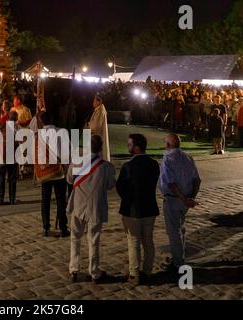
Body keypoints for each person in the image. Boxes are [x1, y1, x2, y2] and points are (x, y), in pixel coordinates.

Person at [68, 135, 116, 284]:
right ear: (101, 148)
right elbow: (110, 185)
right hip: (96, 206)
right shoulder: (106, 166)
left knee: (75, 237)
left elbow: (70, 180)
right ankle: (94, 271)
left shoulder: (76, 162)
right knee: (93, 240)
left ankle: (74, 269)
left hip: (78, 205)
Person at [116, 134, 160, 285]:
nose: (127, 146)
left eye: (129, 144)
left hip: (132, 210)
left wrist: (128, 198)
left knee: (133, 241)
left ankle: (134, 274)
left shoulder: (128, 166)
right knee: (148, 240)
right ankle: (148, 270)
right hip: (150, 208)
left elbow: (120, 188)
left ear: (136, 147)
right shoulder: (154, 164)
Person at [160, 134, 201, 272]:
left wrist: (184, 199)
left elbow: (171, 184)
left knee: (174, 231)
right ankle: (179, 257)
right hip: (186, 199)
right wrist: (190, 199)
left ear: (169, 145)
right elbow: (197, 180)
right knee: (181, 228)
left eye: (165, 143)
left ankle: (178, 262)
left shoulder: (168, 159)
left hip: (174, 198)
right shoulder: (187, 157)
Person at [35, 112, 70, 238]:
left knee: (45, 199)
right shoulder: (61, 132)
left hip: (45, 171)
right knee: (61, 200)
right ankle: (63, 227)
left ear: (42, 121)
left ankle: (46, 226)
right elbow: (66, 152)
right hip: (58, 171)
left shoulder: (38, 135)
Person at [0, 111, 19, 205]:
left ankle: (0, 199)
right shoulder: (16, 127)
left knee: (1, 178)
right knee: (12, 178)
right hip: (11, 155)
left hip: (1, 155)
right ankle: (12, 199)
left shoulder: (1, 126)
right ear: (16, 118)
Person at [88, 96, 111, 162]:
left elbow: (96, 125)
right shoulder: (99, 110)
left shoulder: (99, 111)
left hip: (98, 134)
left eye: (94, 101)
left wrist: (89, 125)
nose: (93, 103)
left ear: (98, 102)